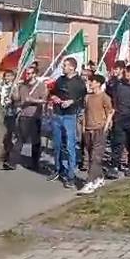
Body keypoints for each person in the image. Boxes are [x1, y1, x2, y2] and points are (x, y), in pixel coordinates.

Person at [48, 57, 87, 189]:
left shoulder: (80, 83)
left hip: (70, 116)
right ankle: (58, 170)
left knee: (70, 146)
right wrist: (54, 97)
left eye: (65, 66)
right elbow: (52, 93)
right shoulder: (60, 79)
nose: (62, 68)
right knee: (57, 145)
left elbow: (83, 99)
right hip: (57, 114)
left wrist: (72, 102)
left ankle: (70, 175)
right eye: (63, 65)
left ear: (72, 67)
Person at [78, 74, 113, 194]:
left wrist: (106, 126)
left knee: (95, 157)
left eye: (92, 81)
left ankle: (89, 182)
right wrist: (83, 127)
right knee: (90, 154)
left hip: (99, 129)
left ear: (98, 83)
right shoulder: (87, 97)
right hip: (88, 129)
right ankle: (99, 177)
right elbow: (85, 113)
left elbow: (110, 111)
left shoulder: (104, 97)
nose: (90, 83)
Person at [7, 66, 47, 171]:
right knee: (20, 139)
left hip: (35, 116)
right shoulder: (23, 86)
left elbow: (44, 100)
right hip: (24, 115)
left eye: (29, 73)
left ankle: (35, 164)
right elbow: (17, 99)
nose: (27, 75)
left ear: (34, 74)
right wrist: (15, 89)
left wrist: (32, 100)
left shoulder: (40, 86)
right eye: (26, 73)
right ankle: (12, 162)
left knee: (35, 141)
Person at [0, 70, 17, 169]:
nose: (7, 78)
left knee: (9, 136)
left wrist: (12, 99)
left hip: (10, 114)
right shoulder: (1, 85)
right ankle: (2, 154)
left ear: (13, 77)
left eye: (9, 76)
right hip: (1, 112)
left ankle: (9, 158)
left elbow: (18, 98)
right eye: (6, 76)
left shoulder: (14, 87)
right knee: (2, 136)